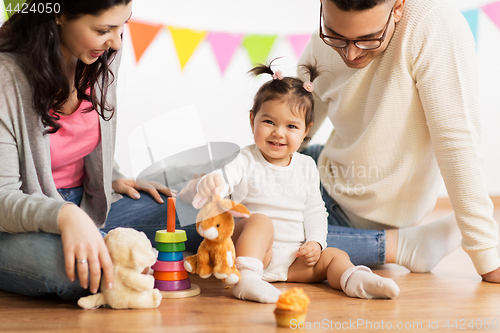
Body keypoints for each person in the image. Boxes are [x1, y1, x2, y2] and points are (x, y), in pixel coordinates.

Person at [298, 0, 500, 282]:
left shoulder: (433, 24)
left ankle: (401, 246)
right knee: (222, 194)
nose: (350, 53)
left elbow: (456, 140)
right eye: (337, 36)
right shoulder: (325, 40)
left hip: (352, 211)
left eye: (368, 39)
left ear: (398, 7)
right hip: (326, 170)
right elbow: (296, 119)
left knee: (253, 238)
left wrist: (486, 253)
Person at [0, 0, 178, 300]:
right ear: (59, 13)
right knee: (77, 271)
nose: (117, 43)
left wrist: (108, 177)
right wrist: (65, 215)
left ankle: (120, 253)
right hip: (17, 221)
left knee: (196, 210)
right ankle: (120, 255)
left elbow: (85, 137)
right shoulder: (6, 76)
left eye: (123, 26)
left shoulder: (103, 54)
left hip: (85, 202)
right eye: (104, 29)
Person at [193, 62, 400, 303]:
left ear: (305, 130)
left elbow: (314, 210)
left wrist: (316, 243)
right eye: (269, 122)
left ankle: (355, 279)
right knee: (260, 221)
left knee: (334, 255)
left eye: (291, 126)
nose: (279, 133)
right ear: (252, 120)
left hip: (292, 259)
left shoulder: (306, 166)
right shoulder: (246, 158)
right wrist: (213, 182)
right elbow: (225, 177)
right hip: (253, 252)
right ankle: (246, 280)